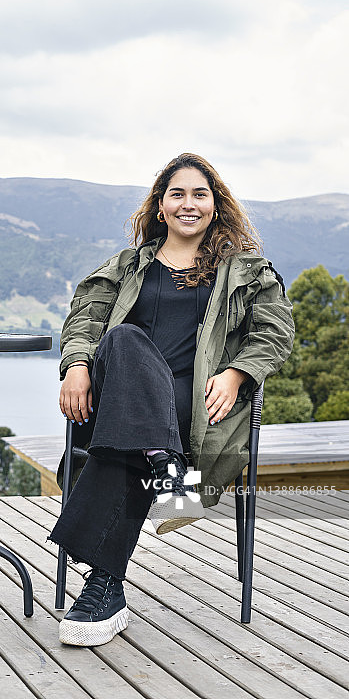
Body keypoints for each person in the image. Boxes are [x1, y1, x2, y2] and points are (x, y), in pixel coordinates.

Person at [47, 153, 294, 647]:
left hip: (197, 409)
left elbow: (275, 331)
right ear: (160, 206)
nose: (188, 203)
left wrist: (237, 373)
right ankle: (163, 467)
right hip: (125, 403)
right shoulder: (128, 266)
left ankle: (104, 585)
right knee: (123, 341)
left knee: (120, 442)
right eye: (177, 194)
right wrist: (76, 365)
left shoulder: (246, 272)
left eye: (199, 194)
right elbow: (85, 318)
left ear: (215, 205)